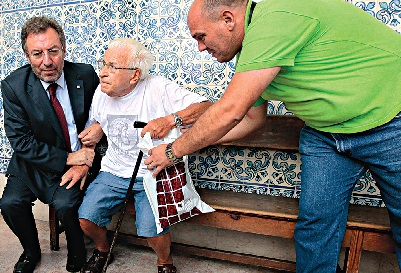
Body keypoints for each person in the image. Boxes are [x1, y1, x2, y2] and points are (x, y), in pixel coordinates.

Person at [144, 0, 401, 272]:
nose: (200, 47)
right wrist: (197, 137)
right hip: (325, 134)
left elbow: (230, 111)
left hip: (390, 118)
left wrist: (173, 150)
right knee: (315, 225)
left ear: (228, 19)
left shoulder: (275, 19)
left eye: (201, 36)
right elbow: (250, 120)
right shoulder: (252, 54)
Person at [77, 38, 212, 273]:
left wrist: (170, 119)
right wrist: (99, 127)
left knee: (152, 230)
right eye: (103, 64)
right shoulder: (101, 92)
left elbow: (207, 107)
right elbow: (98, 119)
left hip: (152, 171)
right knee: (86, 219)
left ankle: (164, 262)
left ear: (134, 75)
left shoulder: (157, 88)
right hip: (114, 170)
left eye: (112, 66)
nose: (102, 73)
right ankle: (102, 250)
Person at [0, 16, 100, 273]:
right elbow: (21, 141)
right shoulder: (13, 87)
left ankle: (77, 251)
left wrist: (98, 131)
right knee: (10, 203)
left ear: (63, 49)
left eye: (53, 51)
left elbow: (106, 111)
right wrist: (69, 159)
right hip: (33, 160)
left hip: (77, 155)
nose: (47, 61)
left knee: (66, 204)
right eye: (37, 53)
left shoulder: (85, 74)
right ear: (27, 55)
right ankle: (30, 251)